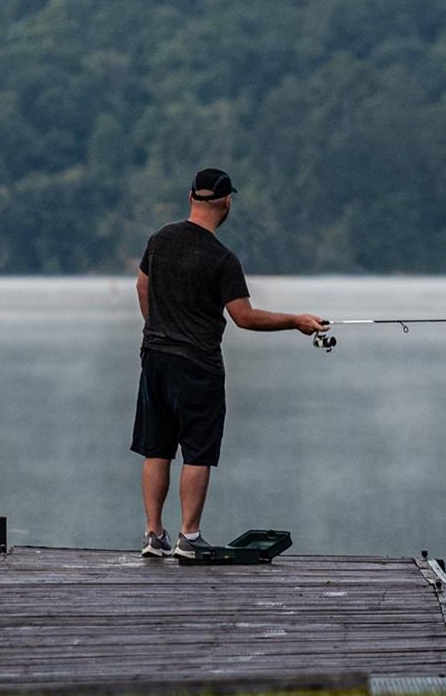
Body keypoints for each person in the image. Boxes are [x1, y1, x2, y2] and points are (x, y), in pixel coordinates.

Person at [131, 168, 327, 559]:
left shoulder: (160, 239)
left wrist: (156, 328)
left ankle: (153, 535)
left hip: (154, 358)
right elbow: (244, 316)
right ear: (226, 203)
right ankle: (189, 536)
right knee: (197, 451)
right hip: (198, 366)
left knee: (157, 448)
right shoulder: (222, 259)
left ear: (191, 197)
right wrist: (296, 321)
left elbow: (141, 284)